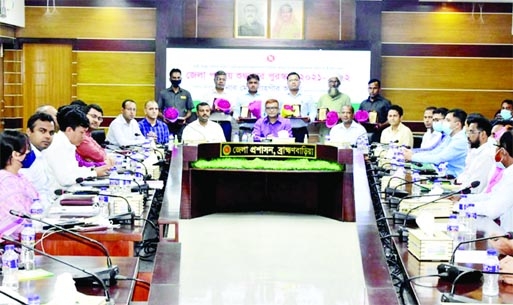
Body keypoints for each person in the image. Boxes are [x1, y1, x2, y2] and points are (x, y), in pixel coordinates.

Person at [45, 105, 111, 187]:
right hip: (57, 196)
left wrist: (93, 170)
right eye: (82, 132)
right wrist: (94, 173)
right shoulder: (57, 146)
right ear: (69, 130)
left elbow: (74, 170)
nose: (84, 137)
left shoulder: (69, 145)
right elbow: (65, 180)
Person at [404, 108, 468, 178]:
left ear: (457, 125)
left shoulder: (460, 141)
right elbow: (435, 152)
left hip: (455, 178)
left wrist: (412, 157)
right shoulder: (450, 136)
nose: (444, 123)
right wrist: (413, 154)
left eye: (448, 120)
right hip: (444, 173)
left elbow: (438, 158)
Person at [0, 130, 39, 236]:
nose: (29, 152)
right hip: (13, 245)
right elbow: (17, 222)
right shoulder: (5, 182)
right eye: (27, 149)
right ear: (16, 154)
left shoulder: (20, 176)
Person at [19, 112, 57, 208]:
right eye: (42, 131)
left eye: (51, 133)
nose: (48, 136)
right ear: (29, 132)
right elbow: (25, 195)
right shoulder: (26, 157)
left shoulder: (41, 153)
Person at [454, 116, 494, 194]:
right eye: (467, 132)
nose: (468, 136)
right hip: (462, 192)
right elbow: (466, 175)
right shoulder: (475, 151)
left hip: (474, 199)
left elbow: (475, 188)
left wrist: (458, 193)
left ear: (483, 134)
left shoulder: (487, 155)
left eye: (471, 132)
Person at [157, 68, 194, 141]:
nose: (176, 79)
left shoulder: (186, 93)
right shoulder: (163, 93)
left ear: (181, 78)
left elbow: (190, 110)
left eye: (178, 78)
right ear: (170, 79)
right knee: (167, 143)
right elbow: (158, 110)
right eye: (174, 78)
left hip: (181, 125)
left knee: (181, 143)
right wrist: (164, 117)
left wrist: (185, 118)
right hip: (167, 125)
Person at [203, 70, 239, 141]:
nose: (221, 81)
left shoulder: (230, 95)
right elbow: (203, 108)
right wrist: (212, 109)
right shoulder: (207, 94)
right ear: (214, 80)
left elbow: (234, 109)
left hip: (226, 123)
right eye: (219, 79)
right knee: (210, 144)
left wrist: (228, 110)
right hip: (211, 122)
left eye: (223, 79)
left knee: (225, 146)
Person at [280, 72, 315, 142]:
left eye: (296, 80)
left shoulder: (307, 96)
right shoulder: (281, 97)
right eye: (291, 80)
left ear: (299, 82)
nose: (293, 82)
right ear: (287, 83)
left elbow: (313, 111)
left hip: (302, 130)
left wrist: (309, 119)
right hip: (285, 131)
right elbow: (277, 113)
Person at [317, 76, 351, 141]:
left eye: (335, 81)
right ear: (328, 83)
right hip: (325, 131)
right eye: (331, 81)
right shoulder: (322, 98)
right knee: (324, 150)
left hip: (340, 131)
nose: (333, 84)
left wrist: (336, 116)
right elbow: (317, 115)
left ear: (339, 83)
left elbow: (350, 115)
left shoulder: (346, 98)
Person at [359, 79, 392, 143]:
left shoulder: (385, 103)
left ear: (379, 89)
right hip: (365, 134)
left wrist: (381, 125)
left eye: (375, 88)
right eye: (370, 88)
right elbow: (359, 119)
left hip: (380, 133)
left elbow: (390, 119)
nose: (372, 91)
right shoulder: (363, 103)